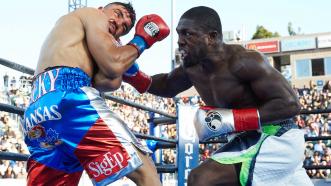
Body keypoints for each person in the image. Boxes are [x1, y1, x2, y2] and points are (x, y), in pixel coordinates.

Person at [125, 6, 313, 186]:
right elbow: (167, 84)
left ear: (212, 37)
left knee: (201, 179)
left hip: (277, 137)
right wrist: (132, 75)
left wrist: (234, 119)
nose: (180, 40)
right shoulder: (192, 67)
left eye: (188, 34)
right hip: (249, 139)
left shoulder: (245, 61)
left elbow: (290, 105)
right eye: (179, 33)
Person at [22, 2, 169, 186]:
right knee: (144, 169)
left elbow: (107, 81)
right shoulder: (92, 14)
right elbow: (114, 63)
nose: (119, 22)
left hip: (37, 110)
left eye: (125, 27)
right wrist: (141, 40)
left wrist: (129, 69)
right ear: (101, 9)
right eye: (118, 13)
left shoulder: (77, 40)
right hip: (70, 97)